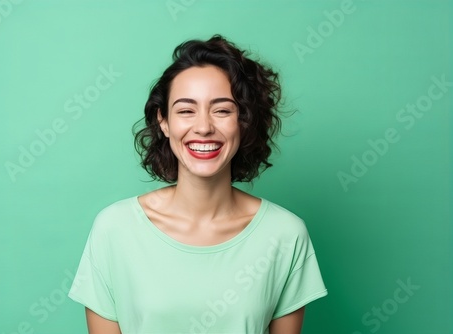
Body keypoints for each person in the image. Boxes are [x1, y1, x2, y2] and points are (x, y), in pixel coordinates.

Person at [68, 35, 327, 334]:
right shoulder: (114, 229)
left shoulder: (285, 235)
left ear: (243, 121)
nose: (203, 127)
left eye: (222, 110)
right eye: (186, 110)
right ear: (163, 121)